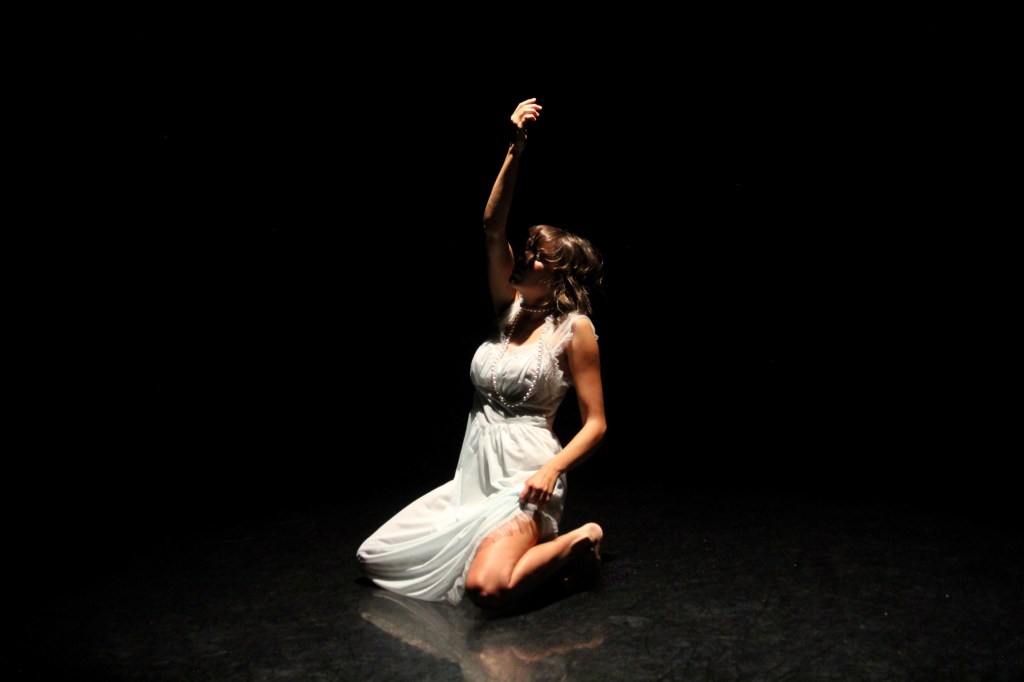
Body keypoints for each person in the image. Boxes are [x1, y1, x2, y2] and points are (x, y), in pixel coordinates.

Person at [356, 97, 607, 610]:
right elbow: (492, 226)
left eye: (538, 256)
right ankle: (544, 554)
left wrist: (551, 470)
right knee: (375, 556)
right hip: (474, 476)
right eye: (529, 248)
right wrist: (516, 147)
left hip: (526, 477)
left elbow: (597, 423)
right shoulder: (508, 309)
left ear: (558, 276)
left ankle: (582, 537)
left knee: (486, 588)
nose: (525, 256)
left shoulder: (574, 330)